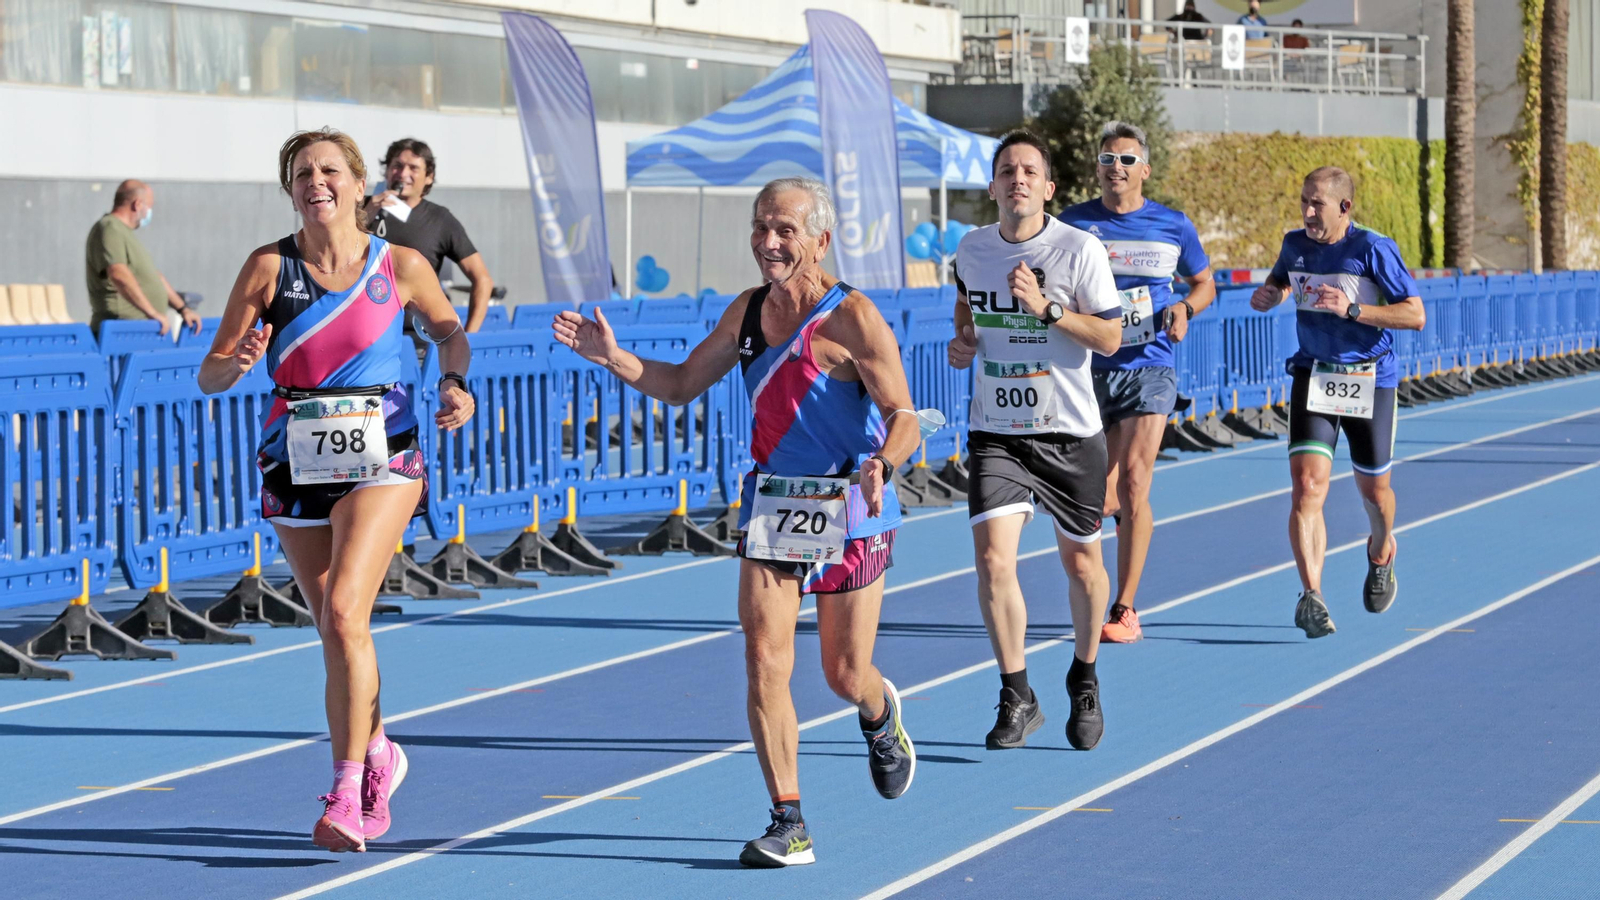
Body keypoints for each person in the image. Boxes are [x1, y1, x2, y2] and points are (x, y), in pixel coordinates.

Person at [552, 176, 919, 868]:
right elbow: (682, 383)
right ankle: (790, 820)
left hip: (854, 503)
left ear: (821, 239)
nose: (769, 243)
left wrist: (884, 464)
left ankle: (877, 710)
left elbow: (902, 414)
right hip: (776, 505)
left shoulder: (852, 318)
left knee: (843, 672)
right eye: (760, 228)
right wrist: (614, 359)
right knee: (763, 658)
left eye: (785, 230)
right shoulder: (747, 313)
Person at [198, 127, 475, 853]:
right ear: (289, 188)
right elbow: (212, 372)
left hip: (385, 444)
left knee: (350, 608)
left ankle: (348, 789)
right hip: (294, 452)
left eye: (328, 170)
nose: (315, 182)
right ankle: (380, 747)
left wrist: (453, 381)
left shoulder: (402, 263)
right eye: (300, 174)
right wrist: (241, 358)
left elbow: (450, 332)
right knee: (334, 626)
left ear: (358, 183)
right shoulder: (266, 268)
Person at [946, 131, 1122, 752]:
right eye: (1005, 171)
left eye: (1028, 171)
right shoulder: (971, 250)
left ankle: (1085, 673)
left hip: (1070, 433)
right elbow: (965, 323)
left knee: (1084, 566)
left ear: (1047, 188)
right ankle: (1017, 691)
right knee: (994, 561)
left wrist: (1047, 310)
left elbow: (1109, 340)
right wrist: (962, 343)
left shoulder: (1079, 249)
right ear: (992, 187)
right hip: (997, 431)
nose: (1016, 178)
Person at [1248, 167, 1425, 639]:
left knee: (1375, 496)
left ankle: (1382, 550)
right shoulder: (1294, 243)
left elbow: (1415, 314)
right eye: (1303, 201)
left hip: (1369, 377)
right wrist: (1271, 294)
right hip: (1314, 373)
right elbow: (1281, 279)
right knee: (1307, 488)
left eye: (1317, 204)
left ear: (1344, 208)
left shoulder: (1373, 249)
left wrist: (1352, 309)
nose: (1307, 212)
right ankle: (1312, 596)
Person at [1058, 122, 1217, 644]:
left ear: (1144, 170)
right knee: (1099, 496)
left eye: (1127, 160)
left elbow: (1204, 282)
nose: (1117, 168)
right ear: (1097, 168)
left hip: (1150, 364)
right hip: (1088, 368)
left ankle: (1124, 607)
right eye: (1108, 159)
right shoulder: (1074, 224)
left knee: (1135, 482)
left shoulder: (1173, 225)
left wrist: (1185, 308)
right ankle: (1097, 582)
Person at [362, 138, 496, 332]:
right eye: (397, 166)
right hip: (366, 332)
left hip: (419, 337)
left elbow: (483, 279)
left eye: (413, 168)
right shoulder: (361, 207)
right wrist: (366, 214)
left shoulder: (440, 219)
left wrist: (469, 336)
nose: (403, 174)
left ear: (429, 177)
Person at [84, 179, 203, 337]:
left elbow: (155, 277)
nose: (148, 212)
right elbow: (119, 274)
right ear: (137, 204)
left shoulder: (125, 234)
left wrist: (183, 309)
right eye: (149, 206)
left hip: (142, 329)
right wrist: (152, 312)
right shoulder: (109, 228)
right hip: (122, 332)